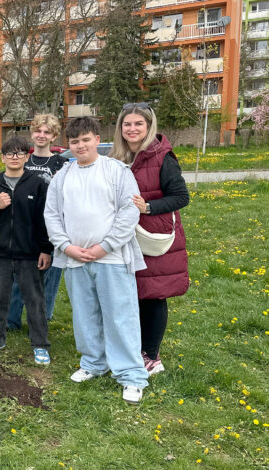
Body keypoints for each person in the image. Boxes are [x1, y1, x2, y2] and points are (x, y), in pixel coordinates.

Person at [44, 117, 148, 404]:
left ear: (97, 139)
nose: (80, 146)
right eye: (74, 142)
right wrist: (66, 246)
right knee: (84, 314)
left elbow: (130, 211)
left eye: (86, 140)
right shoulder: (63, 176)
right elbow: (52, 215)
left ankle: (131, 375)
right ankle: (93, 363)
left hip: (112, 258)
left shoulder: (116, 170)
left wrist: (106, 246)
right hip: (75, 258)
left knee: (120, 315)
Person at [110, 103, 189, 376]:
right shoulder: (117, 158)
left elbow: (181, 197)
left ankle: (151, 355)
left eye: (138, 124)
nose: (132, 129)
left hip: (153, 236)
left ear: (149, 126)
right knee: (133, 293)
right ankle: (135, 348)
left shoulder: (162, 157)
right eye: (127, 124)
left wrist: (149, 208)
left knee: (154, 294)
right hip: (125, 235)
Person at [0, 136, 52, 364]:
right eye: (9, 154)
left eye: (19, 154)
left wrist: (46, 249)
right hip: (0, 254)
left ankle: (40, 344)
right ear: (2, 158)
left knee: (35, 299)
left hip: (30, 254)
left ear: (27, 157)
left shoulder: (37, 184)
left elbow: (45, 220)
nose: (14, 158)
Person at [8, 114, 69, 330]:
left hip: (52, 228)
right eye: (38, 131)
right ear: (32, 133)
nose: (42, 135)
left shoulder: (62, 164)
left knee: (49, 278)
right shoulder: (24, 160)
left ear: (53, 136)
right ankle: (12, 319)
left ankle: (42, 317)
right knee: (18, 277)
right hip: (24, 228)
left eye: (47, 132)